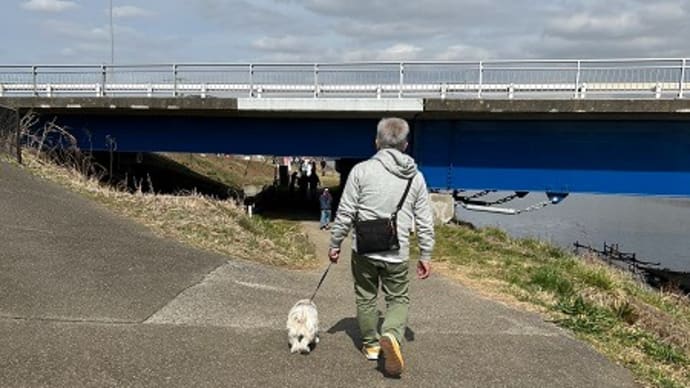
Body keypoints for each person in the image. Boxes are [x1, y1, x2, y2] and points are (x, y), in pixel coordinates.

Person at [328, 117, 435, 377]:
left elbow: (345, 212)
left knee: (366, 296)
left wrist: (335, 243)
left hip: (363, 247)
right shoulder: (416, 177)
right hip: (396, 250)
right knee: (397, 298)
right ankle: (391, 333)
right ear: (406, 145)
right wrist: (426, 253)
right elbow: (424, 218)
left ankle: (372, 346)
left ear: (377, 142)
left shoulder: (361, 171)